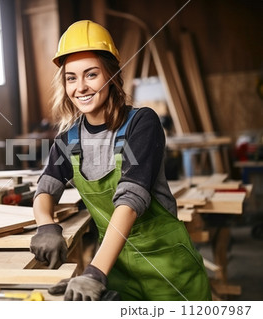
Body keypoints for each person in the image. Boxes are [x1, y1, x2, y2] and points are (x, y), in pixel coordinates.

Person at [29, 20, 212, 301]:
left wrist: (93, 273)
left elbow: (130, 201)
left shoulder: (143, 123)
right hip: (116, 265)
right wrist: (46, 225)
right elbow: (45, 188)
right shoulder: (68, 138)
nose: (80, 87)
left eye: (91, 75)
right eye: (71, 77)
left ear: (111, 75)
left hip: (167, 266)